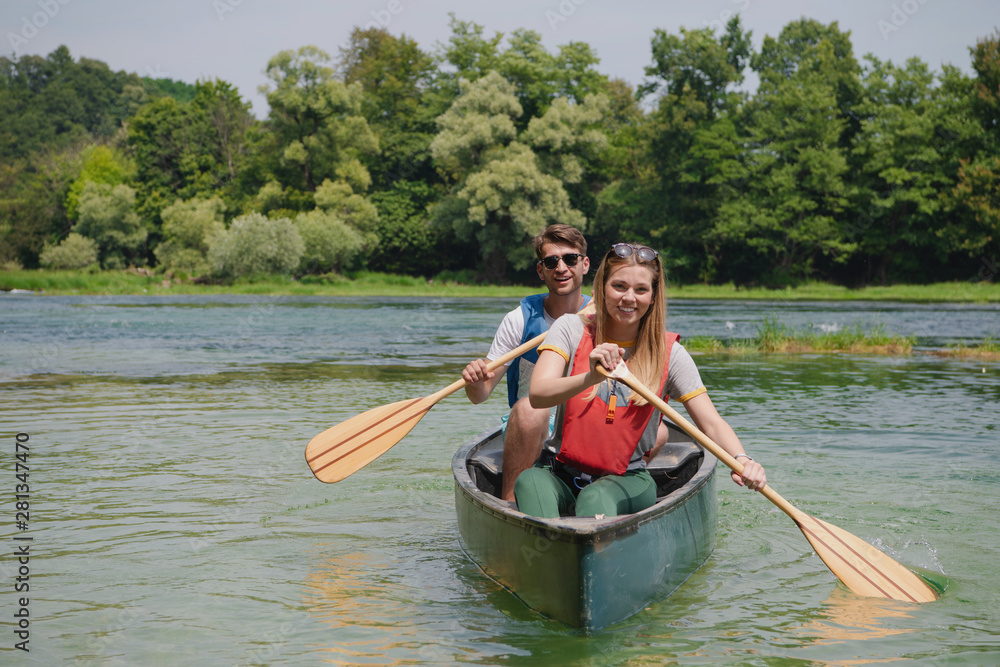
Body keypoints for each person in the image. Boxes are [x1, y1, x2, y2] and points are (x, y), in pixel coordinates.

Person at [516, 242, 767, 519]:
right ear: (602, 287)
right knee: (529, 482)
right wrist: (590, 377)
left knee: (595, 499)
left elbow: (711, 422)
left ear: (653, 296)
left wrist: (743, 460)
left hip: (627, 478)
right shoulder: (570, 328)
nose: (629, 298)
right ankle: (542, 554)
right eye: (619, 286)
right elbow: (538, 394)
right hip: (558, 471)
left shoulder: (670, 354)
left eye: (641, 290)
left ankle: (589, 553)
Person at [462, 224, 592, 502]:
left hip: (586, 423)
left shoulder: (603, 316)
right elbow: (480, 394)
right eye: (551, 261)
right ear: (540, 270)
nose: (561, 268)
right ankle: (511, 506)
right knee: (531, 408)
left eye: (570, 259)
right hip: (531, 425)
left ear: (585, 265)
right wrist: (473, 381)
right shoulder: (519, 319)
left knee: (659, 431)